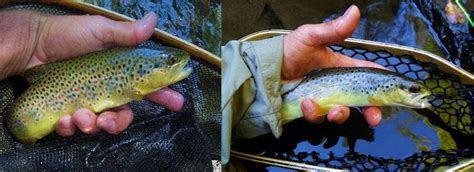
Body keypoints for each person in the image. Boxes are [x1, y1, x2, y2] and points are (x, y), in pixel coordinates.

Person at [222, 5, 386, 166]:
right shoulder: (210, 159)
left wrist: (267, 68)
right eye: (413, 90)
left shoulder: (207, 150)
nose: (413, 95)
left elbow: (209, 140)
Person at [0, 11, 183, 137]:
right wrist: (34, 38)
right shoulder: (131, 80)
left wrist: (34, 38)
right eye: (170, 63)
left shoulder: (131, 77)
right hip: (22, 119)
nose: (176, 64)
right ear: (139, 72)